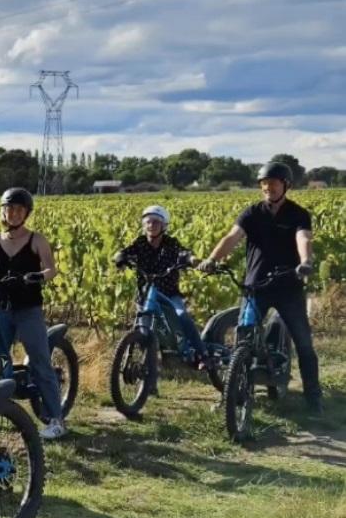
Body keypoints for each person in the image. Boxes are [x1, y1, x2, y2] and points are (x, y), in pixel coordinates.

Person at [198, 161, 322, 413]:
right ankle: (234, 397)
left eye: (273, 183)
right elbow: (232, 237)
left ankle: (313, 397)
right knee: (243, 339)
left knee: (304, 343)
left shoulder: (298, 214)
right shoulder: (252, 212)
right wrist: (212, 260)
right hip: (256, 286)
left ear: (285, 185)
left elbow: (303, 238)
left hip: (288, 287)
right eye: (264, 184)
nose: (268, 188)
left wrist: (306, 262)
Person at [0, 187, 65, 439]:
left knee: (40, 362)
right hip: (0, 309)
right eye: (8, 208)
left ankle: (56, 419)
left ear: (26, 213)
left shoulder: (37, 240)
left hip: (28, 310)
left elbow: (51, 269)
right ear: (2, 211)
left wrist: (39, 276)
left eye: (18, 209)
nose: (12, 213)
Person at [113, 205, 205, 364]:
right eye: (148, 222)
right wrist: (119, 257)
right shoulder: (140, 243)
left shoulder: (171, 243)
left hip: (169, 294)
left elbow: (183, 252)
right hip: (146, 295)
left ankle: (202, 354)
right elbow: (125, 252)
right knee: (143, 331)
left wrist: (191, 259)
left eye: (156, 222)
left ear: (164, 226)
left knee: (182, 315)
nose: (151, 225)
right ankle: (148, 373)